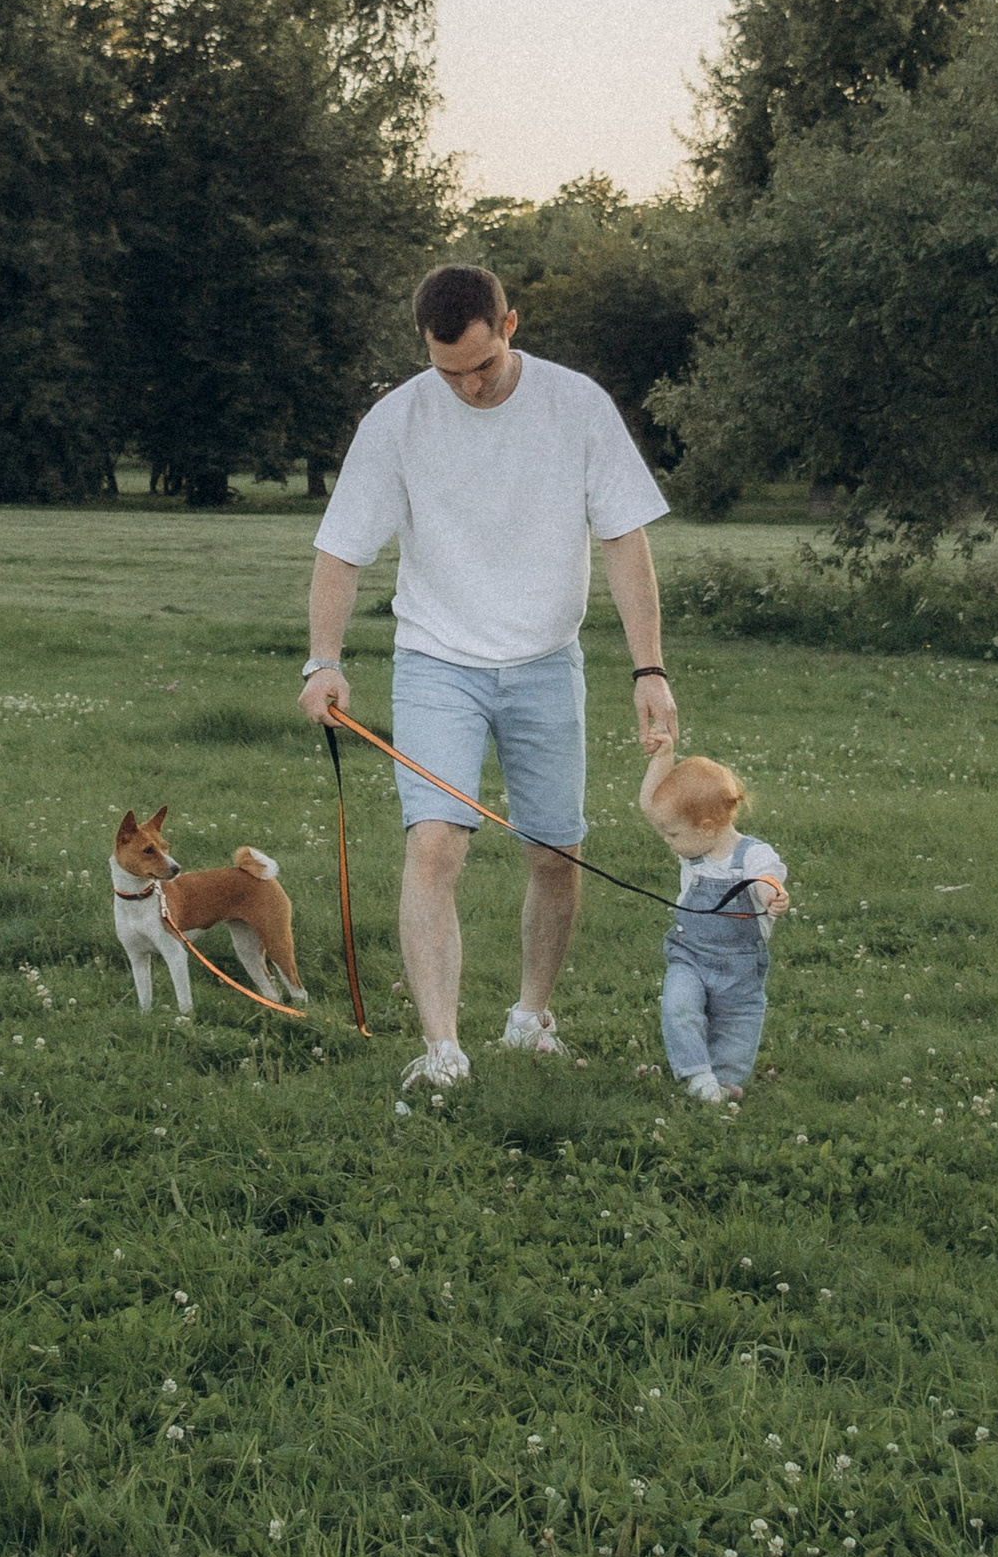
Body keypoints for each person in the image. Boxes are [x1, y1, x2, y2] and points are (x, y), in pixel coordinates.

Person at [298, 261, 676, 1089]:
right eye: (448, 370)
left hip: (547, 660)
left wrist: (648, 667)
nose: (467, 385)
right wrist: (323, 660)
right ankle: (441, 1051)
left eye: (482, 365)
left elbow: (624, 540)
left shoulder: (576, 405)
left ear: (510, 326)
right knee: (434, 844)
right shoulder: (396, 420)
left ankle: (530, 1018)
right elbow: (340, 550)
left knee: (556, 854)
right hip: (438, 660)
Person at [638, 749, 788, 1108]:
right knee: (680, 1008)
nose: (666, 840)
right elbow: (651, 805)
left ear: (707, 827)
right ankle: (696, 1076)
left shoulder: (752, 855)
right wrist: (663, 755)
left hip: (740, 969)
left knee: (738, 1027)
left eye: (672, 834)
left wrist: (772, 895)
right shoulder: (692, 850)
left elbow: (767, 878)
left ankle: (722, 1082)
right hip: (690, 957)